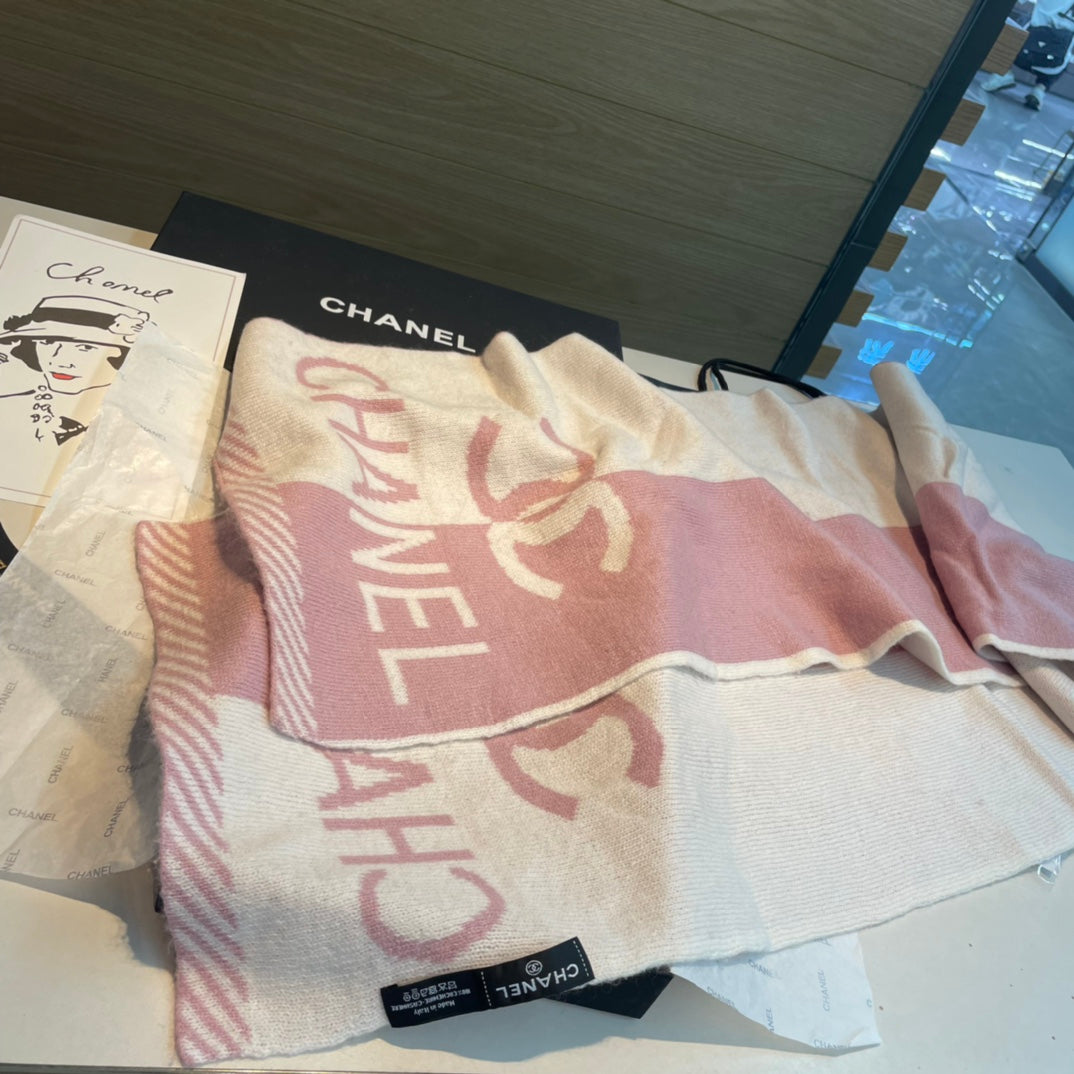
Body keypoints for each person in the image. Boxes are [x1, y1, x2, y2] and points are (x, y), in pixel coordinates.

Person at [983, 1, 1074, 110]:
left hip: (1023, 53)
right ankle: (1039, 90)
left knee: (1018, 22)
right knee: (1066, 55)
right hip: (1053, 65)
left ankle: (1003, 74)